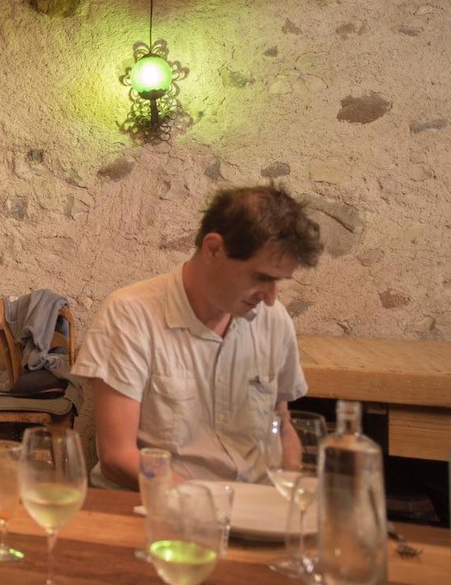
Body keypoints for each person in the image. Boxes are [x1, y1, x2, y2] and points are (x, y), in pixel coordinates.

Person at [72, 185, 324, 489]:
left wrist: (292, 489)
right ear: (213, 248)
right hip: (160, 502)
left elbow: (281, 425)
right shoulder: (130, 315)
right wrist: (204, 500)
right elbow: (118, 457)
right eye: (261, 277)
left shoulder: (274, 320)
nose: (271, 298)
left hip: (256, 500)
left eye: (279, 281)